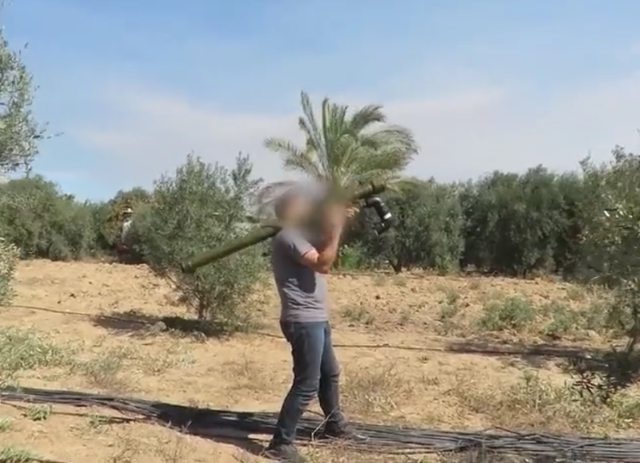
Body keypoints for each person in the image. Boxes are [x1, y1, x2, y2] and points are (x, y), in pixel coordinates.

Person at [264, 190, 366, 463]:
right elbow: (323, 263)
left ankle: (334, 426)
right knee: (307, 384)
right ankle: (280, 443)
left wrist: (338, 220)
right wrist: (337, 226)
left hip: (316, 318)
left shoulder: (301, 236)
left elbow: (326, 249)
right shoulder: (289, 236)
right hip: (303, 320)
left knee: (329, 374)